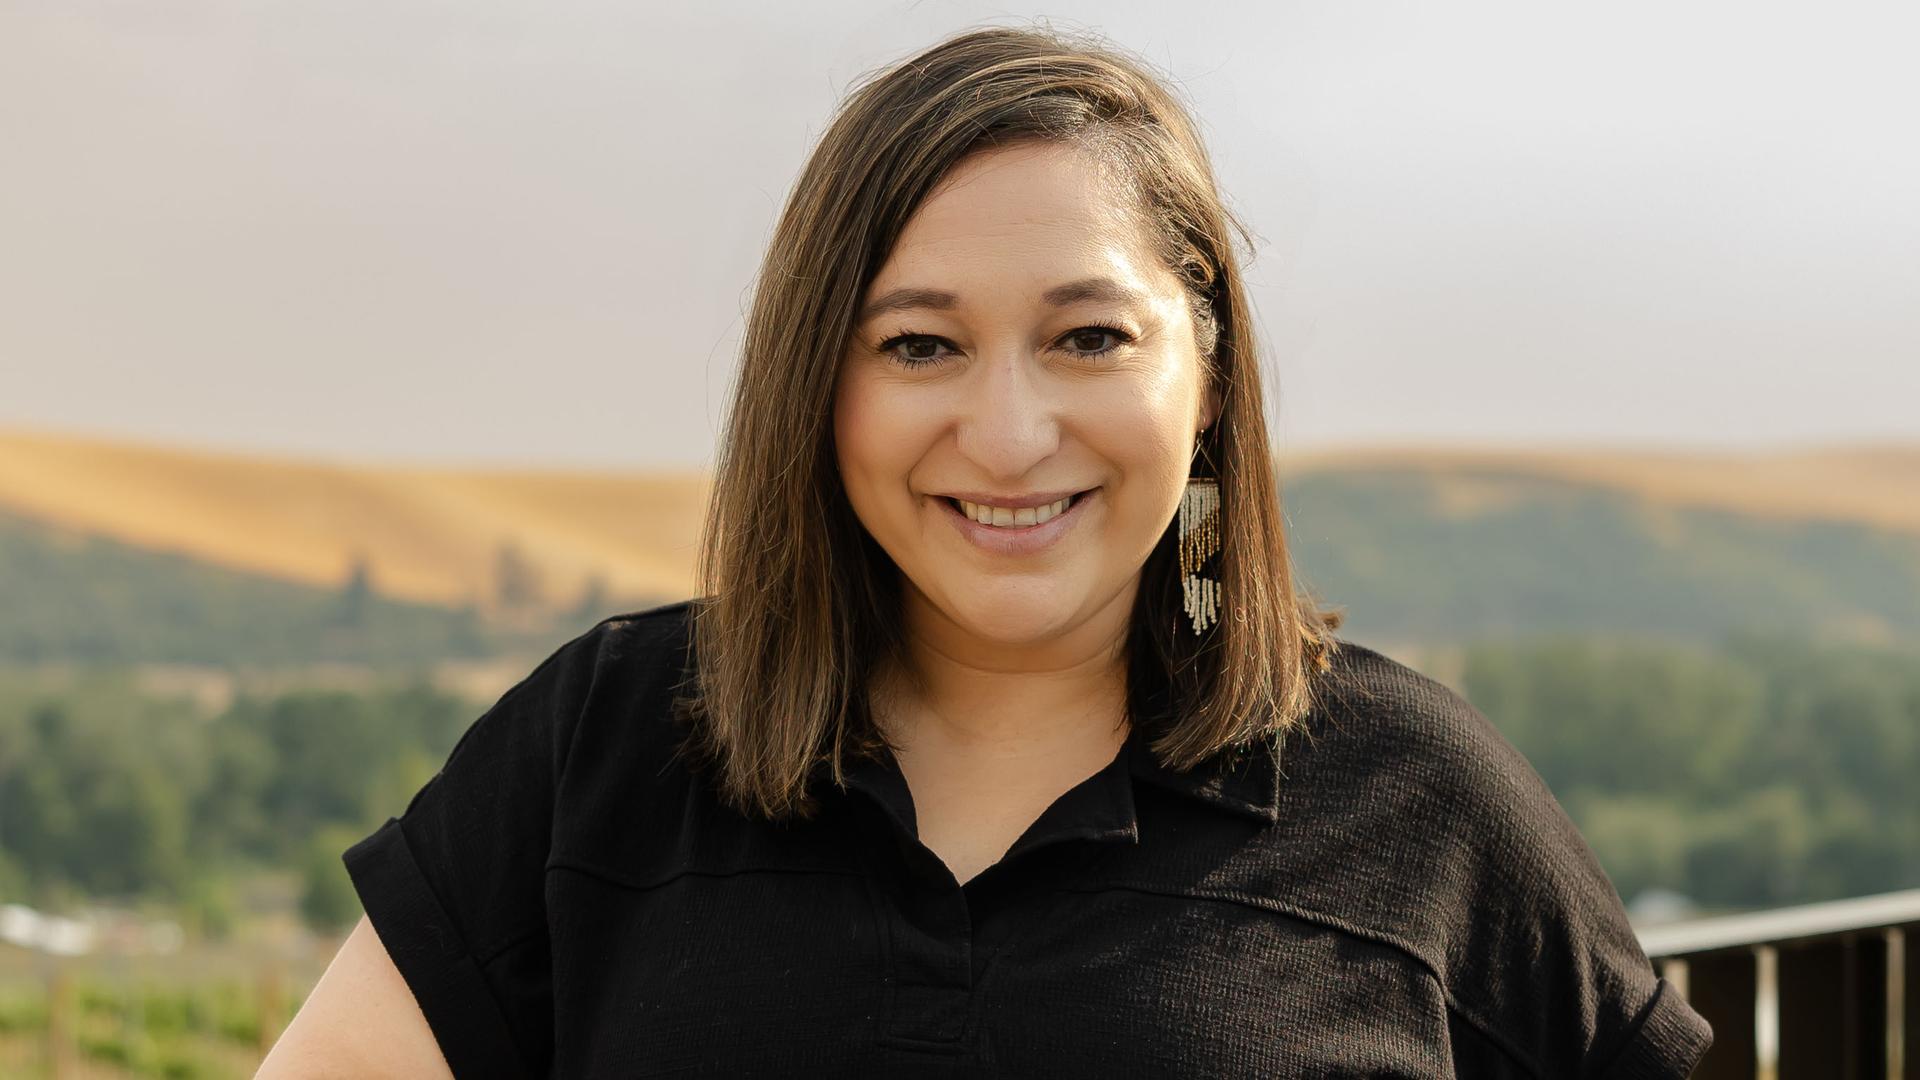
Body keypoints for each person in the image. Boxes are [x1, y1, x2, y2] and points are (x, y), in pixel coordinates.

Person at [259, 24, 1712, 1079]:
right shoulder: (605, 745)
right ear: (818, 392)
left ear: (1203, 376)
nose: (1010, 434)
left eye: (1089, 337)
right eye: (920, 345)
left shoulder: (1419, 801)